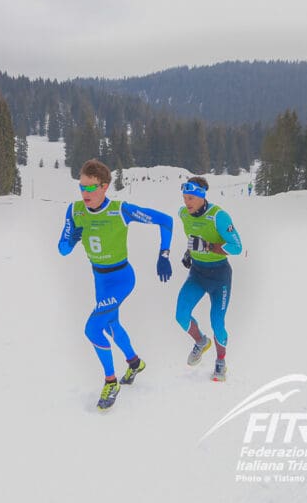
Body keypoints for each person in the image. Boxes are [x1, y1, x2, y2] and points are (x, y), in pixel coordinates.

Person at [58, 159, 173, 410]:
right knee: (111, 324)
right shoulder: (75, 210)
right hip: (100, 279)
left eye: (91, 188)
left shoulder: (121, 210)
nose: (85, 193)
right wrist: (73, 236)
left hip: (122, 278)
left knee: (92, 328)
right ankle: (134, 362)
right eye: (81, 187)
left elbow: (166, 221)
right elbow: (63, 249)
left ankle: (111, 382)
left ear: (105, 187)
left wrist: (164, 255)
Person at [176, 177, 242, 382]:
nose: (187, 203)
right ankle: (201, 341)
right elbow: (193, 236)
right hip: (198, 273)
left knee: (217, 322)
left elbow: (237, 247)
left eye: (192, 198)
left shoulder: (218, 217)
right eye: (185, 197)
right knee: (181, 315)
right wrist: (190, 253)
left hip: (220, 275)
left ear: (202, 197)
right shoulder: (183, 214)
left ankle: (220, 360)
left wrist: (209, 247)